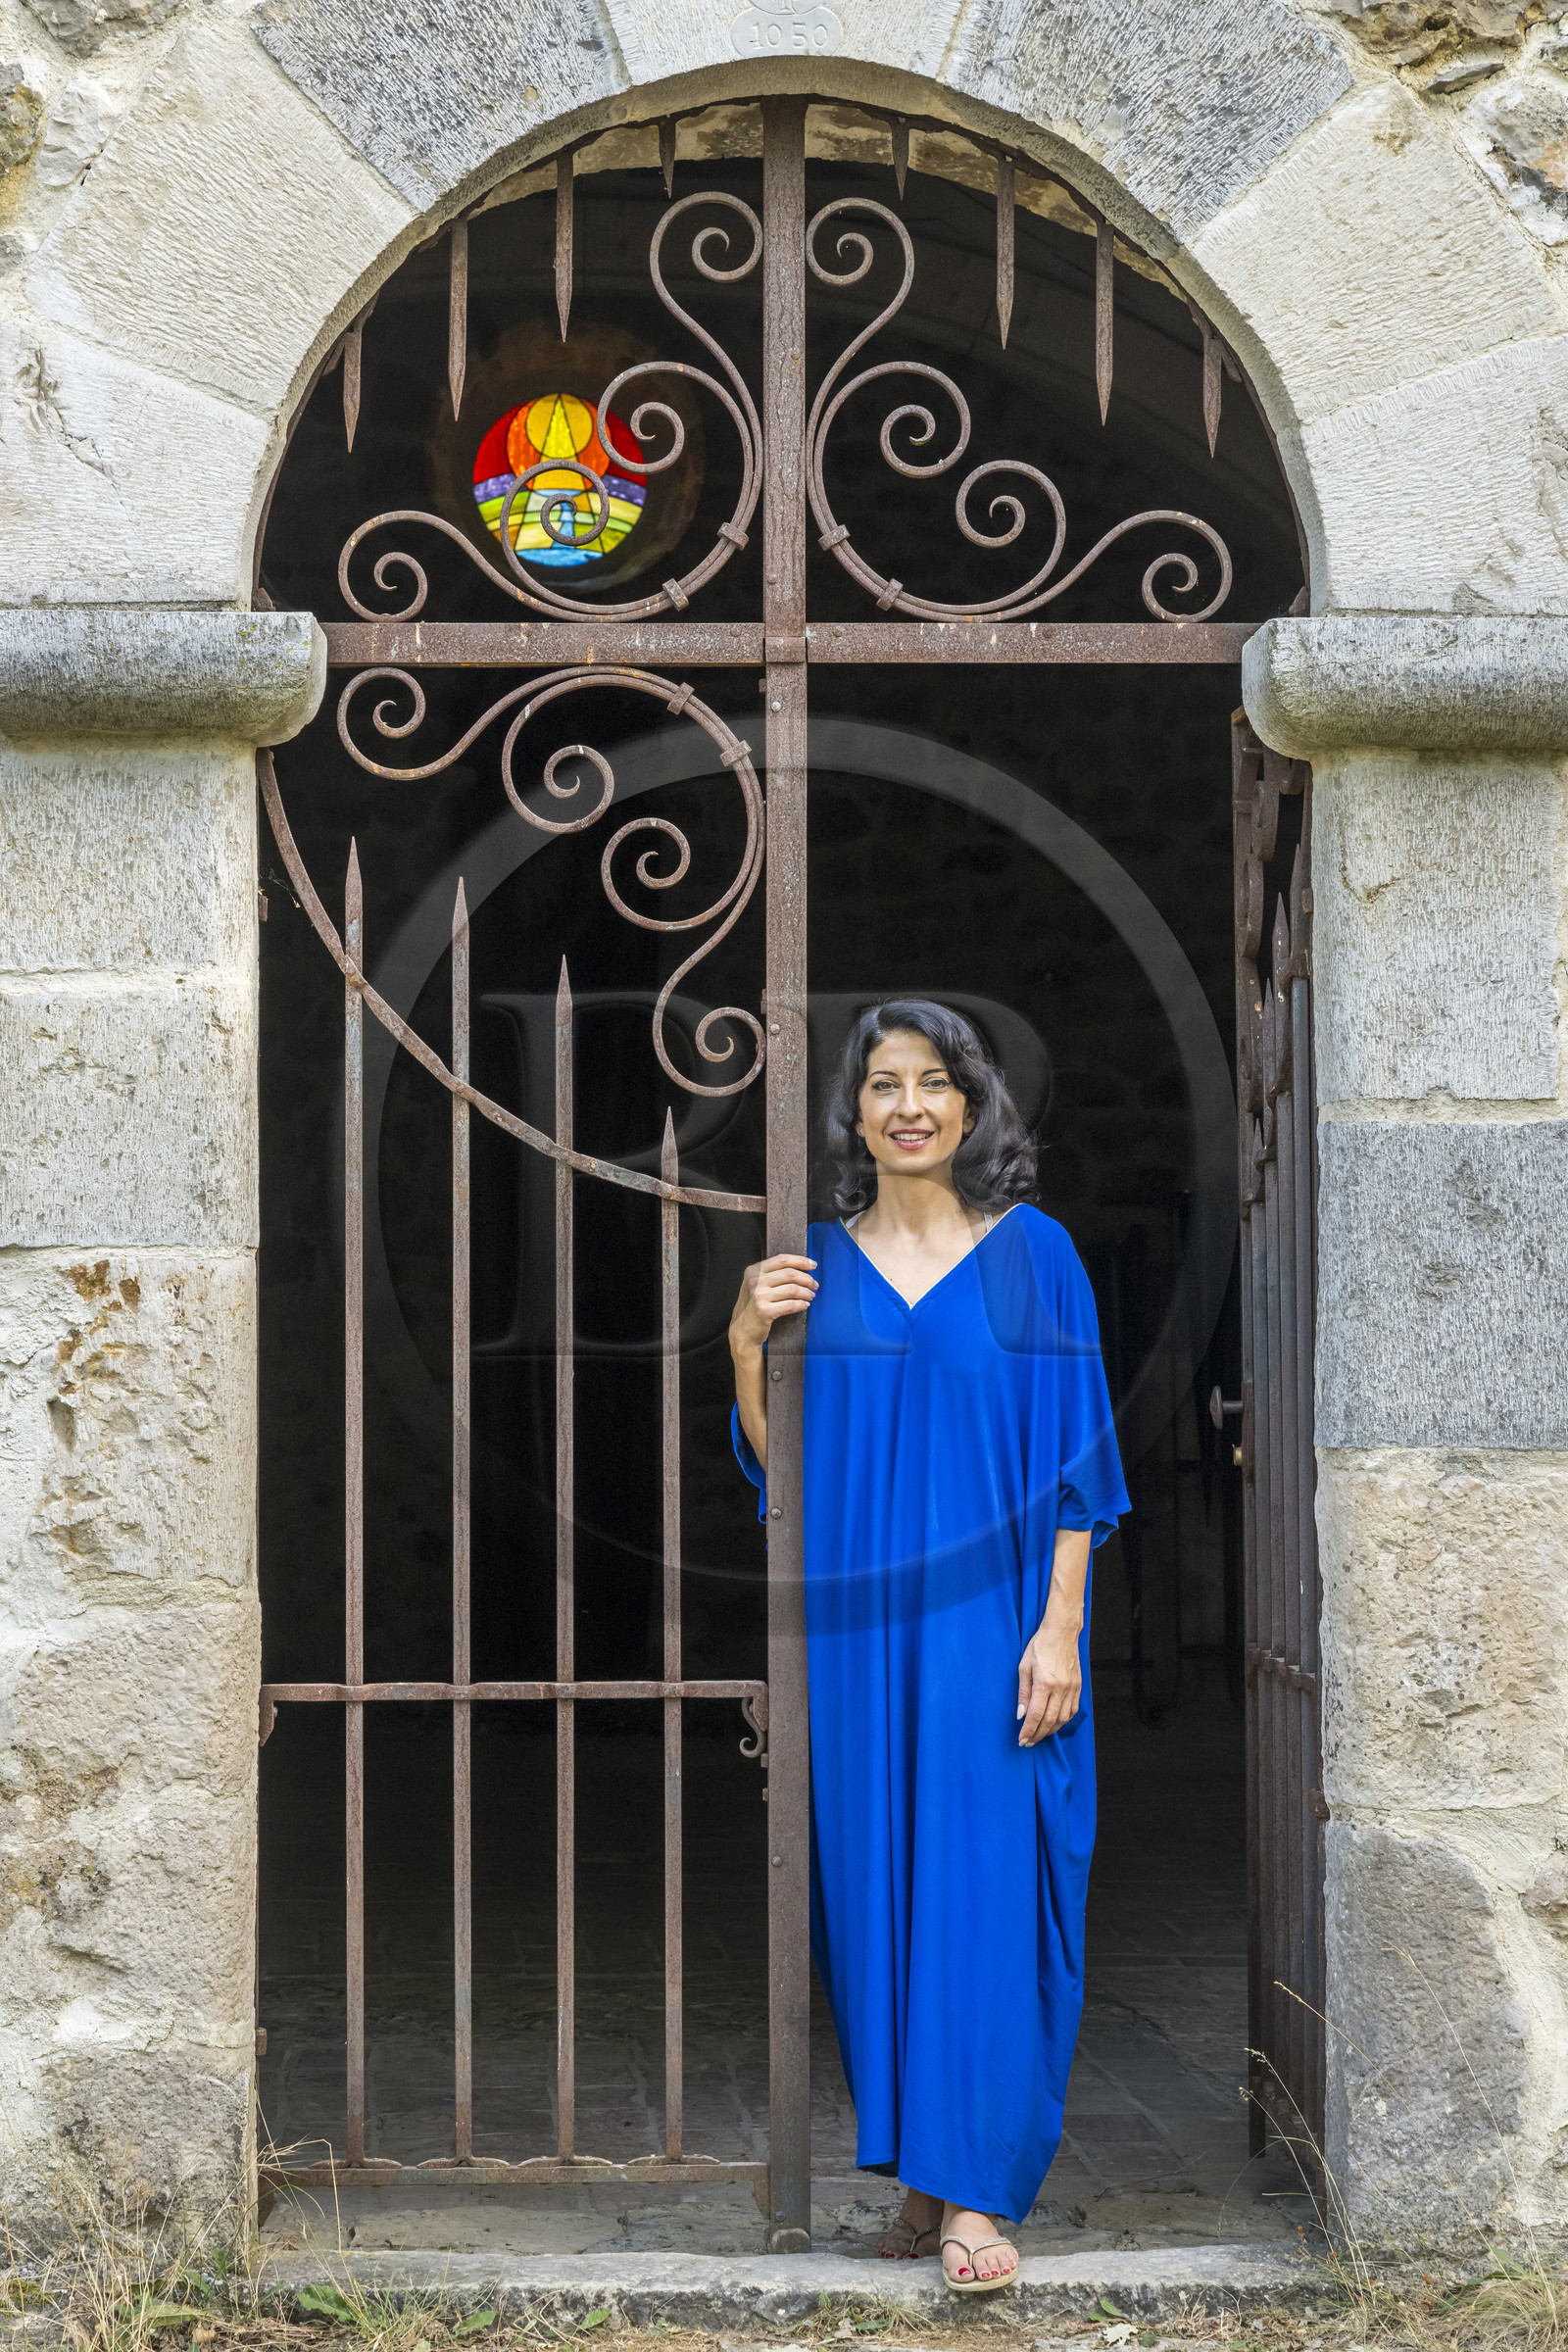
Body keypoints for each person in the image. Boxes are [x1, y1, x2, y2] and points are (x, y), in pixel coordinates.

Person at [728, 1000, 1128, 2294]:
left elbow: (1078, 1460)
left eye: (935, 1082)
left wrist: (1059, 1628)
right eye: (883, 1084)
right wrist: (746, 1340)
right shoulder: (813, 1267)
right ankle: (923, 2178)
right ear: (851, 1114)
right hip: (858, 1637)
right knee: (879, 1897)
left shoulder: (1033, 1254)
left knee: (985, 1890)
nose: (909, 1104)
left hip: (990, 1625)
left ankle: (977, 2195)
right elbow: (779, 1467)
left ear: (971, 1106)